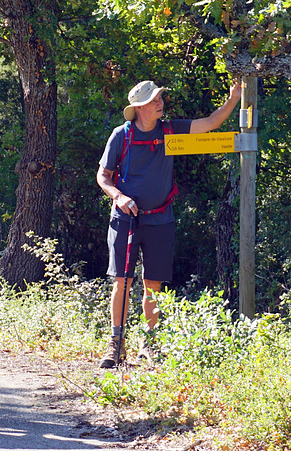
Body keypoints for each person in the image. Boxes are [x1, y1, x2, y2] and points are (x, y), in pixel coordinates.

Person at [96, 79, 241, 368]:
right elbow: (103, 177)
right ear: (139, 108)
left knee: (153, 285)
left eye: (161, 97)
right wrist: (119, 197)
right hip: (125, 217)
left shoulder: (170, 130)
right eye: (154, 99)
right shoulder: (120, 136)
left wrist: (234, 98)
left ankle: (148, 345)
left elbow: (211, 123)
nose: (160, 102)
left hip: (161, 218)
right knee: (122, 282)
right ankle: (116, 346)